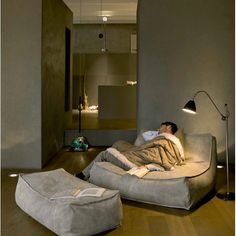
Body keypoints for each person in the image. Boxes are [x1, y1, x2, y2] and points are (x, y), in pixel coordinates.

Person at [75, 121, 179, 180]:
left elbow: (158, 156)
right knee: (119, 143)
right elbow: (146, 140)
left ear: (168, 127)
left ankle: (83, 175)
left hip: (136, 161)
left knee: (104, 154)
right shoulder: (163, 138)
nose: (158, 129)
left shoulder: (167, 141)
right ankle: (104, 167)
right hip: (139, 152)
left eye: (161, 127)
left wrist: (148, 166)